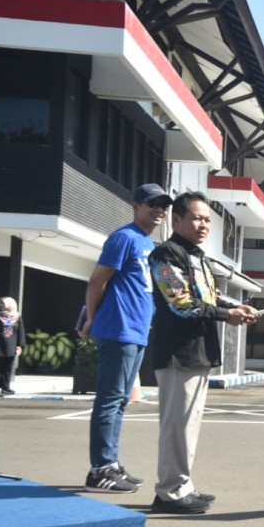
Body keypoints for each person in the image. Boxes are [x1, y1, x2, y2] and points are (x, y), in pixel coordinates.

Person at [148, 191, 258, 514]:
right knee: (176, 426)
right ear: (176, 219)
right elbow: (181, 302)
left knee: (188, 425)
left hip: (199, 352)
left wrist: (237, 306)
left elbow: (211, 296)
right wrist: (228, 315)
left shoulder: (198, 257)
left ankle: (181, 486)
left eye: (208, 219)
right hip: (177, 353)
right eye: (197, 218)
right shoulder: (165, 255)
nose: (204, 225)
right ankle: (168, 492)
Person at [80, 183, 172, 494]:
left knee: (119, 401)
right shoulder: (124, 237)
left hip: (135, 331)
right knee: (109, 400)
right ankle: (99, 470)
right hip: (117, 328)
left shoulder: (148, 243)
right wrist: (91, 319)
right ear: (135, 206)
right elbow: (98, 280)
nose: (159, 210)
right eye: (152, 204)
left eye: (163, 205)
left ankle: (110, 464)